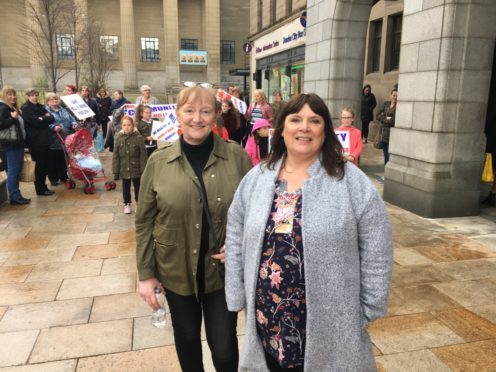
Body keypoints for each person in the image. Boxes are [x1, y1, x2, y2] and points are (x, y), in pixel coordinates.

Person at [225, 93, 392, 371]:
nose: (304, 127)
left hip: (332, 325)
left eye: (314, 120)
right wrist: (237, 292)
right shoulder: (258, 177)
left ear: (325, 130)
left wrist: (368, 309)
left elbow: (378, 246)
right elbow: (235, 232)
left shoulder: (350, 181)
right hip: (269, 322)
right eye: (295, 119)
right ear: (282, 128)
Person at [135, 86, 252, 372]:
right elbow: (144, 220)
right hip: (175, 270)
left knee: (224, 349)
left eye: (205, 111)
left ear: (216, 116)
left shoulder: (236, 157)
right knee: (187, 343)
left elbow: (257, 213)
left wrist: (240, 247)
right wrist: (146, 274)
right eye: (189, 110)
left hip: (221, 275)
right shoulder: (158, 161)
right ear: (177, 114)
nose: (197, 118)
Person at [21, 88, 55, 196]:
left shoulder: (41, 106)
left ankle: (44, 186)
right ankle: (40, 189)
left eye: (36, 94)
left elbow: (52, 118)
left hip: (45, 139)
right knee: (39, 166)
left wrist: (42, 118)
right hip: (35, 141)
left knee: (45, 165)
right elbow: (34, 122)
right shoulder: (26, 108)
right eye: (32, 95)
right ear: (28, 96)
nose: (35, 97)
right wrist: (44, 118)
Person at [0, 86, 30, 205]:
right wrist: (12, 119)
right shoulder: (3, 107)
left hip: (16, 143)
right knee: (13, 171)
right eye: (9, 94)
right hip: (11, 144)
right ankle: (14, 196)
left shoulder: (10, 107)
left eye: (14, 94)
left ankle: (16, 195)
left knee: (15, 170)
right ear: (3, 95)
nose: (13, 97)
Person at [112, 116, 147, 214]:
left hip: (136, 168)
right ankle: (127, 204)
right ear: (121, 126)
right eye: (124, 125)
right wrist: (116, 171)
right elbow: (116, 156)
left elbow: (143, 155)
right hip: (124, 168)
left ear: (132, 126)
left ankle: (138, 203)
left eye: (129, 125)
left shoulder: (138, 138)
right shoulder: (118, 138)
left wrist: (143, 169)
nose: (126, 127)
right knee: (125, 188)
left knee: (138, 187)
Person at [45, 92, 77, 186]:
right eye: (52, 99)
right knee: (54, 159)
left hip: (66, 137)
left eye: (56, 99)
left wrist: (74, 124)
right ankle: (53, 178)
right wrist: (53, 127)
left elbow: (72, 119)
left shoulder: (63, 110)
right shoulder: (46, 111)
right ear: (48, 102)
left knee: (63, 158)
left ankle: (63, 176)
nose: (54, 101)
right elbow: (46, 123)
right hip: (54, 138)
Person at [376, 88, 397, 164]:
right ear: (390, 95)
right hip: (383, 134)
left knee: (389, 156)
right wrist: (386, 119)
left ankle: (388, 174)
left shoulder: (398, 106)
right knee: (385, 156)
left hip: (391, 135)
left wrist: (383, 118)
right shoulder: (386, 104)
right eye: (394, 95)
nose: (395, 97)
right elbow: (377, 115)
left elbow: (393, 121)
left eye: (397, 96)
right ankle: (385, 173)